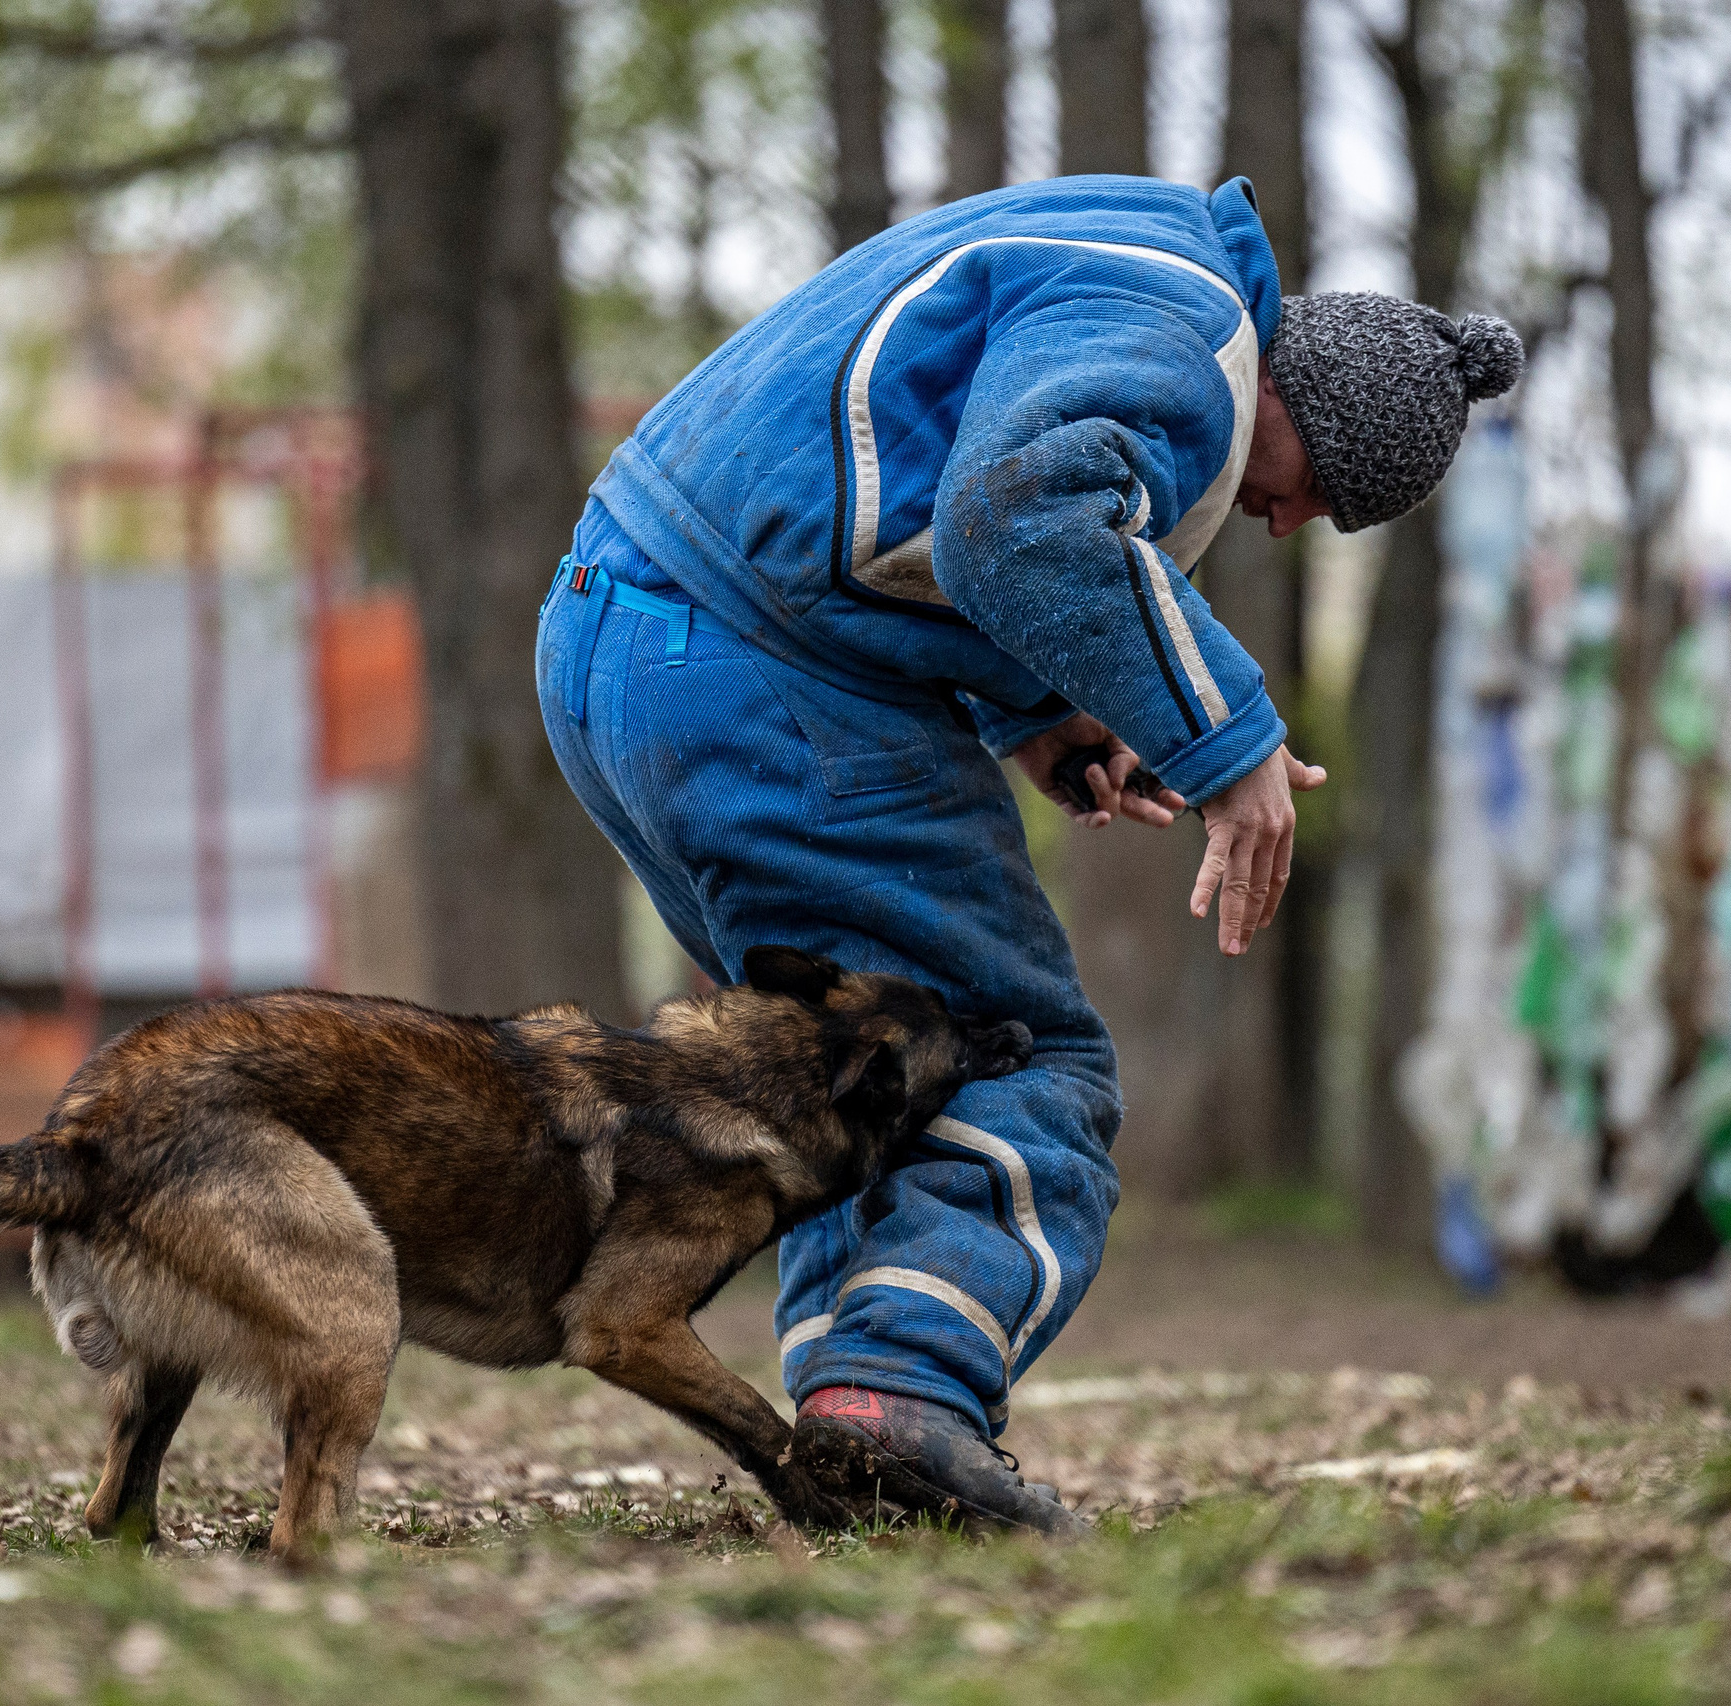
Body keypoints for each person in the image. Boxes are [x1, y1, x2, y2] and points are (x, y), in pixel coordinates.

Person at [536, 174, 1523, 1532]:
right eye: (1324, 497)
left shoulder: (1114, 257)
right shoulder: (1186, 331)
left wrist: (1038, 713)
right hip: (754, 673)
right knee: (1019, 1054)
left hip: (617, 636)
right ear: (1300, 406)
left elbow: (926, 495)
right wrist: (1226, 745)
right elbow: (1022, 512)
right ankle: (900, 1395)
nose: (1288, 525)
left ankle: (858, 1434)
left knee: (850, 1065)